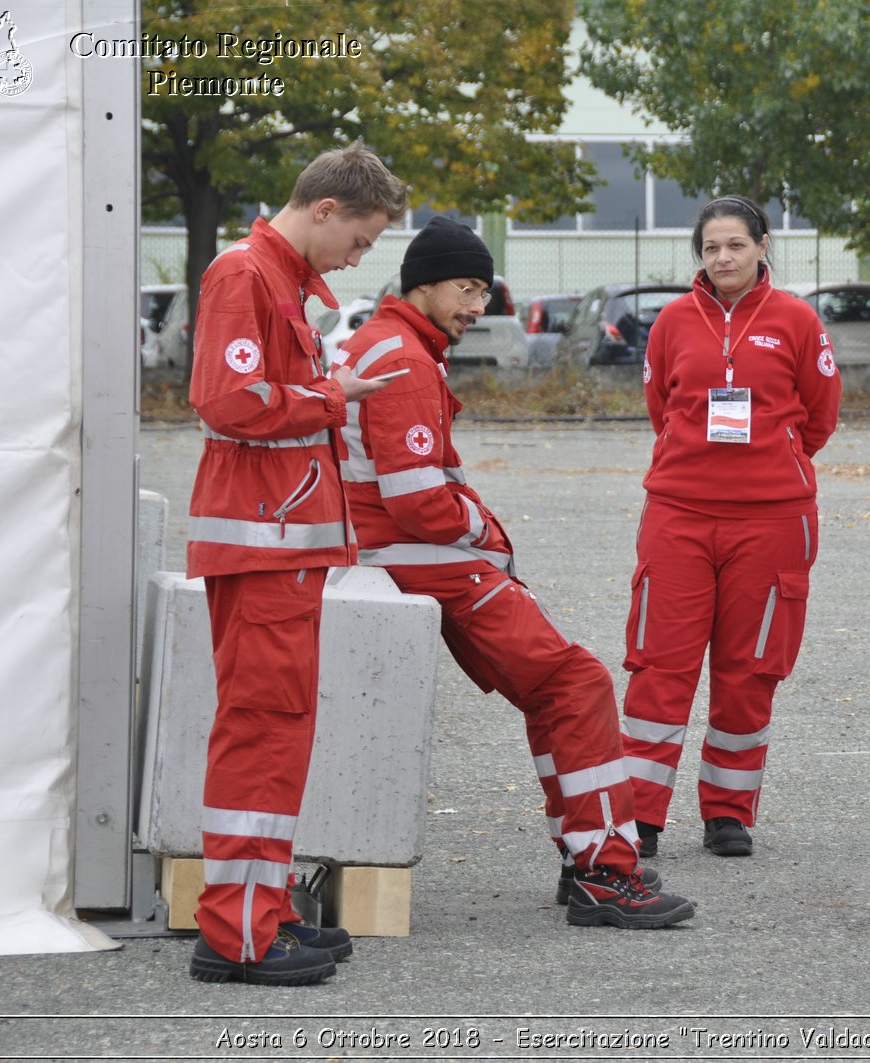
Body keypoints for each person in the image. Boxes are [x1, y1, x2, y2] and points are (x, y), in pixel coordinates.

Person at [337, 216, 694, 930]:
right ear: (424, 284)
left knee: (552, 689)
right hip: (430, 566)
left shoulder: (390, 344)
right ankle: (602, 871)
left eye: (484, 290)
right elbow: (417, 500)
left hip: (399, 565)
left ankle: (588, 856)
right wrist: (487, 533)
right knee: (575, 681)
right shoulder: (402, 356)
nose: (479, 306)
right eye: (467, 289)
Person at [185, 143, 408, 985]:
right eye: (359, 239)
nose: (360, 258)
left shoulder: (277, 279)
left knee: (278, 732)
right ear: (324, 209)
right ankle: (239, 932)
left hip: (277, 543)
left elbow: (260, 394)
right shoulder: (244, 274)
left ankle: (262, 909)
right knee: (261, 731)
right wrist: (330, 397)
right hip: (263, 544)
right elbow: (229, 400)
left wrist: (321, 387)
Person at [619, 195, 842, 858]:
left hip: (771, 520)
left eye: (735, 246)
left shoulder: (798, 321)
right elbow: (663, 407)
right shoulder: (672, 323)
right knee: (659, 666)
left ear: (763, 245)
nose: (722, 258)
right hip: (680, 515)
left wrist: (774, 461)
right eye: (711, 248)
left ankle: (728, 811)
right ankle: (643, 815)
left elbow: (820, 417)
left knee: (750, 668)